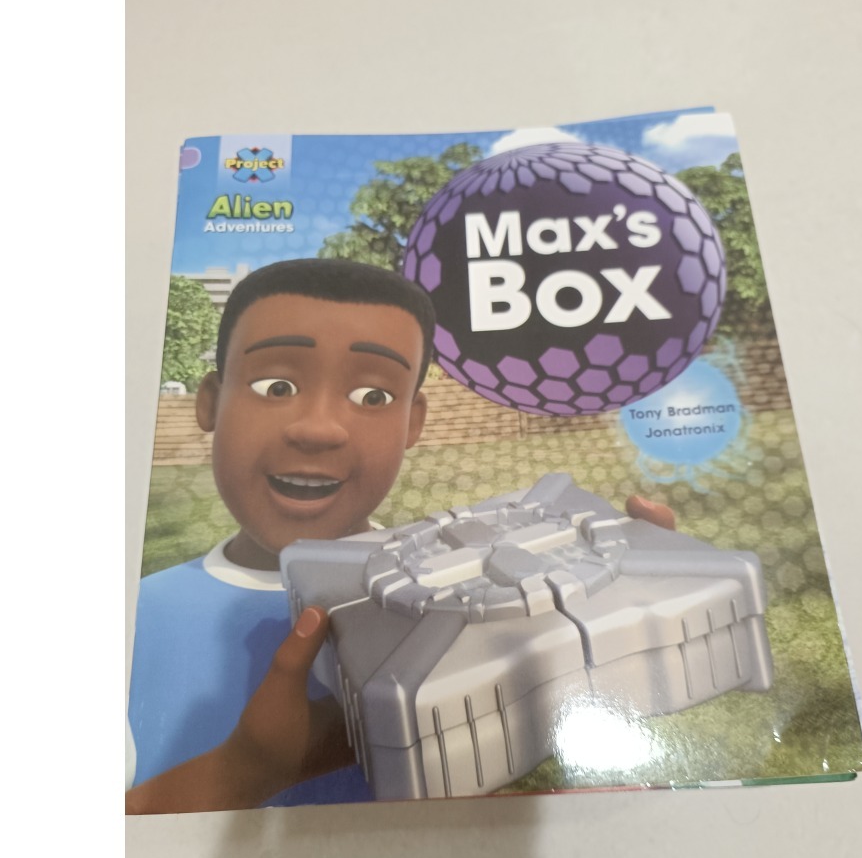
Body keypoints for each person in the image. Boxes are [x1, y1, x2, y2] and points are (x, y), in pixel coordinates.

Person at [126, 258, 675, 814]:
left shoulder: (469, 599)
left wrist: (618, 614)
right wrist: (246, 769)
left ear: (413, 422)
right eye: (276, 386)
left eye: (373, 397)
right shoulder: (133, 618)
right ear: (209, 402)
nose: (318, 429)